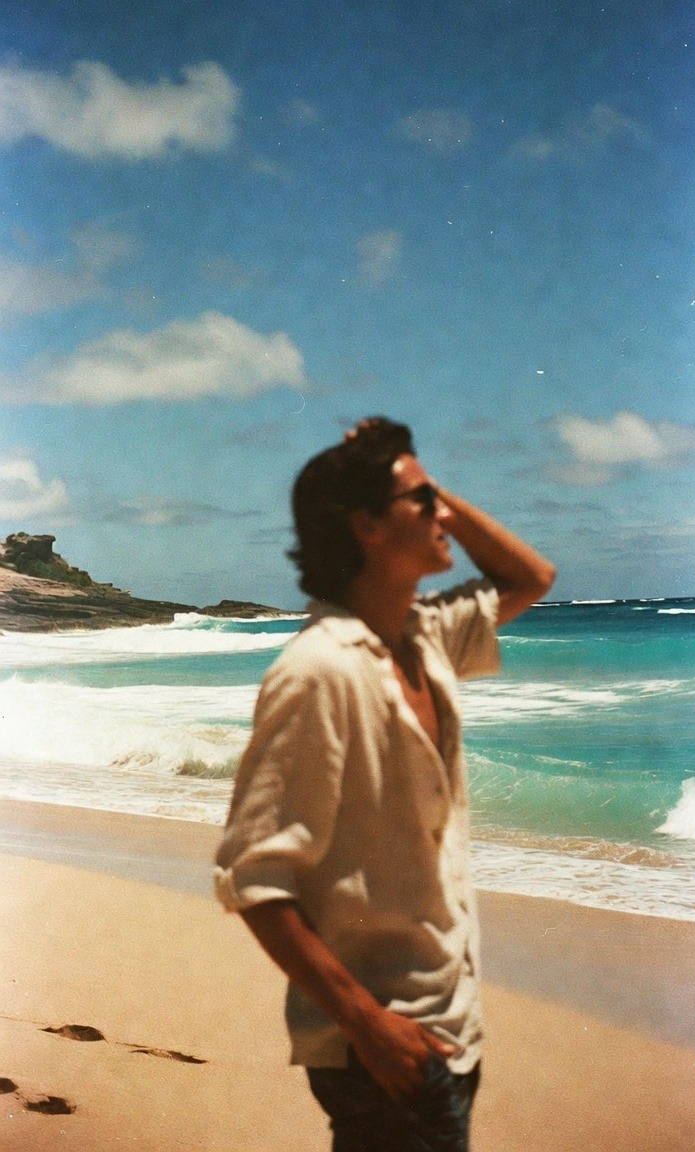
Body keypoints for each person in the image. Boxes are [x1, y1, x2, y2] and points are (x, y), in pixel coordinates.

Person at [215, 417, 555, 1151]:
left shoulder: (426, 640)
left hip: (449, 1020)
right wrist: (367, 1025)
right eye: (422, 501)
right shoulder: (318, 672)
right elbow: (253, 878)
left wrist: (422, 485)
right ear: (367, 525)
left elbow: (533, 577)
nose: (443, 515)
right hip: (380, 1042)